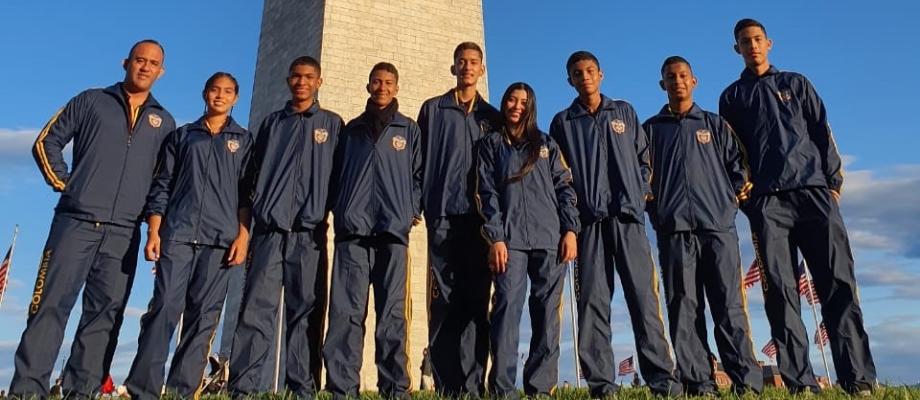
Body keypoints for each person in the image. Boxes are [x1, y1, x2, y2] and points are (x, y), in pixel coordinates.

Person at [719, 18, 876, 396]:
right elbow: (731, 154)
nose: (752, 45)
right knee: (781, 293)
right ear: (736, 49)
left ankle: (858, 381)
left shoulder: (796, 83)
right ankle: (801, 382)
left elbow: (823, 131)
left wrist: (833, 185)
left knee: (837, 285)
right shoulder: (732, 97)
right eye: (744, 41)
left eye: (757, 39)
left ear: (769, 43)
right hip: (768, 205)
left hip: (815, 195)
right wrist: (746, 196)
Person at [12, 39, 175, 399]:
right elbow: (46, 141)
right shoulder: (91, 100)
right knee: (49, 306)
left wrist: (152, 228)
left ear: (161, 72)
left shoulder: (164, 122)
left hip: (123, 233)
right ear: (125, 62)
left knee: (105, 315)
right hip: (75, 222)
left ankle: (81, 392)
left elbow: (161, 184)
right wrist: (68, 185)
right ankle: (27, 390)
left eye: (153, 63)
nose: (145, 67)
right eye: (139, 60)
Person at [548, 50, 681, 398]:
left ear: (601, 74)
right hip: (589, 224)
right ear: (570, 80)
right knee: (592, 306)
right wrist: (571, 221)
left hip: (628, 220)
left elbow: (643, 158)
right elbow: (558, 176)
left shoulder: (623, 111)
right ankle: (602, 386)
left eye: (590, 70)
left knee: (644, 302)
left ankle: (662, 382)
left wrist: (640, 194)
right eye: (577, 73)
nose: (585, 77)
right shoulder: (563, 122)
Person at [124, 72, 252, 400]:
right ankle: (143, 390)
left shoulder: (244, 141)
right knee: (164, 308)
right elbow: (162, 185)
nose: (220, 96)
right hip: (178, 234)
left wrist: (242, 236)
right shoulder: (182, 136)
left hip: (220, 241)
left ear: (236, 98)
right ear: (204, 93)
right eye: (214, 90)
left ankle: (184, 392)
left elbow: (245, 194)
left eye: (227, 92)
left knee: (203, 320)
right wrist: (154, 231)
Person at [643, 56, 762, 396]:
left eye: (683, 76)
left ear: (694, 82)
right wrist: (659, 211)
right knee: (684, 307)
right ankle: (699, 382)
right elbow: (643, 178)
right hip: (675, 232)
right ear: (662, 84)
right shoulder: (650, 130)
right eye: (670, 77)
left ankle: (747, 383)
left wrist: (727, 206)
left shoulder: (714, 125)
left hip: (717, 230)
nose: (677, 81)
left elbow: (740, 168)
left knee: (729, 306)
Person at [228, 56, 344, 399]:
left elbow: (341, 178)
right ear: (288, 80)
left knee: (306, 312)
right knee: (254, 311)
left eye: (309, 77)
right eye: (296, 76)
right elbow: (251, 174)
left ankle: (302, 388)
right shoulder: (271, 123)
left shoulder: (333, 125)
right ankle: (242, 388)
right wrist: (247, 226)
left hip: (309, 234)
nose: (302, 82)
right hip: (269, 232)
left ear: (319, 82)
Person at [323, 62, 422, 400]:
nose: (382, 87)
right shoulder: (349, 130)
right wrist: (341, 208)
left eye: (388, 83)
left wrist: (412, 208)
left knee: (393, 314)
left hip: (393, 233)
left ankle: (395, 388)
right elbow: (334, 175)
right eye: (377, 82)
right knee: (345, 314)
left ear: (396, 88)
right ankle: (341, 389)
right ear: (368, 86)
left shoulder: (408, 130)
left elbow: (420, 175)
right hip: (352, 232)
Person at [477, 82, 579, 400]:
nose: (517, 105)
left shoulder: (547, 144)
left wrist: (571, 231)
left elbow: (565, 188)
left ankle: (540, 389)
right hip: (510, 242)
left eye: (524, 101)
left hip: (550, 240)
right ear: (504, 103)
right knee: (507, 311)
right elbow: (486, 193)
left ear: (531, 105)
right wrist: (495, 237)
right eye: (512, 99)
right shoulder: (490, 145)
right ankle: (503, 390)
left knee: (547, 314)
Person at [417, 41, 499, 397]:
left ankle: (473, 386)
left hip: (479, 223)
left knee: (477, 304)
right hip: (443, 219)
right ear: (453, 68)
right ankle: (448, 386)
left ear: (482, 70)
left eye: (473, 62)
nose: (467, 67)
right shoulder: (433, 109)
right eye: (461, 62)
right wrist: (416, 203)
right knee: (443, 305)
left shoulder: (493, 117)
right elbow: (417, 162)